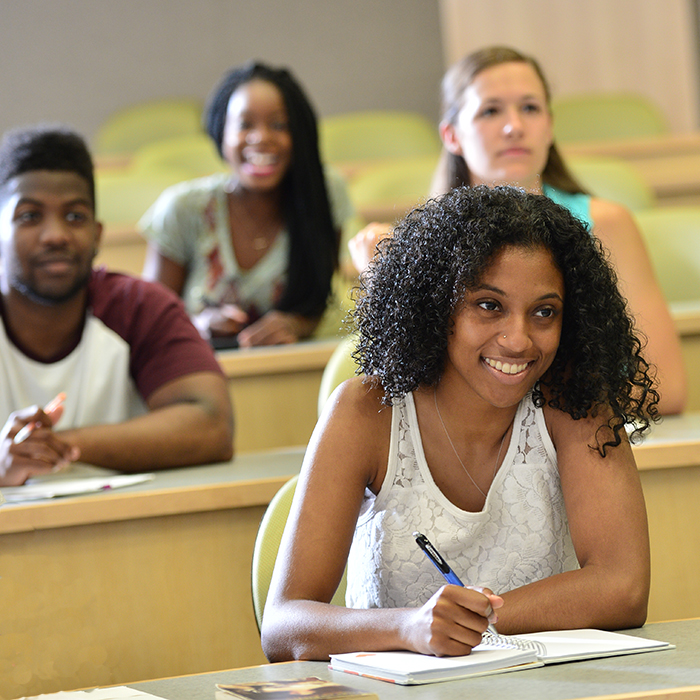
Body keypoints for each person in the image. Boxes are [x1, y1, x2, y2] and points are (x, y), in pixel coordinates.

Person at [261, 185, 655, 662]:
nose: (518, 339)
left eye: (544, 312)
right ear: (437, 304)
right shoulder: (366, 412)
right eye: (489, 305)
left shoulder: (575, 406)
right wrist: (411, 627)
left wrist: (476, 621)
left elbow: (624, 586)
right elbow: (284, 625)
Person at [348, 46, 685, 415]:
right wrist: (385, 281)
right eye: (490, 111)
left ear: (550, 126)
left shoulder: (607, 223)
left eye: (530, 108)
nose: (514, 127)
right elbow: (413, 396)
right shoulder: (421, 246)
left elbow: (666, 388)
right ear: (451, 135)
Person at [0, 125, 234, 487]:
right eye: (30, 216)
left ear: (97, 235)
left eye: (75, 216)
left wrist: (55, 446)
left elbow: (211, 425)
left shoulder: (139, 306)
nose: (56, 235)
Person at [140, 61, 355, 348]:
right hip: (205, 370)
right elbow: (149, 321)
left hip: (306, 363)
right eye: (245, 125)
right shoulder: (182, 207)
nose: (261, 137)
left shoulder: (324, 193)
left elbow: (318, 298)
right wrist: (196, 326)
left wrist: (295, 324)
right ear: (222, 133)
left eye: (279, 125)